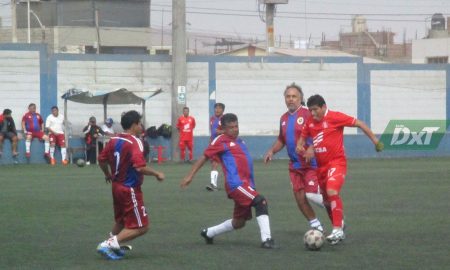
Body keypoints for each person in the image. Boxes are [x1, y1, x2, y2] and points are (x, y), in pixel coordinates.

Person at [296, 94, 384, 245]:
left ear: (324, 107)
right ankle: (339, 228)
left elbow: (359, 123)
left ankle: (337, 228)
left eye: (315, 110)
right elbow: (302, 139)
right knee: (327, 202)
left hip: (337, 163)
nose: (312, 113)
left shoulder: (335, 117)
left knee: (332, 191)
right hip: (321, 167)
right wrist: (302, 147)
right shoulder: (310, 121)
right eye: (310, 110)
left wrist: (375, 140)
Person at [180, 113, 276, 249]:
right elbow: (204, 156)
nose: (235, 129)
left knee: (239, 222)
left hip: (247, 185)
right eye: (231, 127)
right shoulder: (221, 140)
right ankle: (267, 240)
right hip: (236, 184)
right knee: (261, 202)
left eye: (236, 126)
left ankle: (209, 233)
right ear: (224, 129)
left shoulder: (240, 141)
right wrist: (190, 175)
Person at [97, 110, 165, 260]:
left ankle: (112, 245)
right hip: (129, 188)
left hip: (116, 187)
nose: (141, 126)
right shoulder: (135, 142)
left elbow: (101, 159)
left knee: (121, 221)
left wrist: (107, 174)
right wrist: (157, 174)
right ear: (134, 125)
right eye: (139, 123)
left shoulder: (113, 139)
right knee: (142, 227)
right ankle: (108, 244)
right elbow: (139, 167)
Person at [263, 83, 324, 233]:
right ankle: (316, 225)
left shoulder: (308, 113)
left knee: (311, 194)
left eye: (294, 96)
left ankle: (336, 214)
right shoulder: (283, 118)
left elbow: (320, 133)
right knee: (300, 198)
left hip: (311, 163)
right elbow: (282, 140)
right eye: (288, 96)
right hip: (295, 165)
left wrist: (311, 148)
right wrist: (272, 151)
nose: (291, 99)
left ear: (300, 98)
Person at [206, 102, 225, 191]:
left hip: (223, 144)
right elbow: (212, 132)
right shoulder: (212, 119)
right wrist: (210, 143)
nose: (217, 110)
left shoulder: (225, 119)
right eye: (216, 108)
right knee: (214, 164)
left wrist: (221, 132)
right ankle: (213, 184)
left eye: (219, 108)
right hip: (214, 145)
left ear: (223, 110)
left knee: (227, 164)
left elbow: (230, 130)